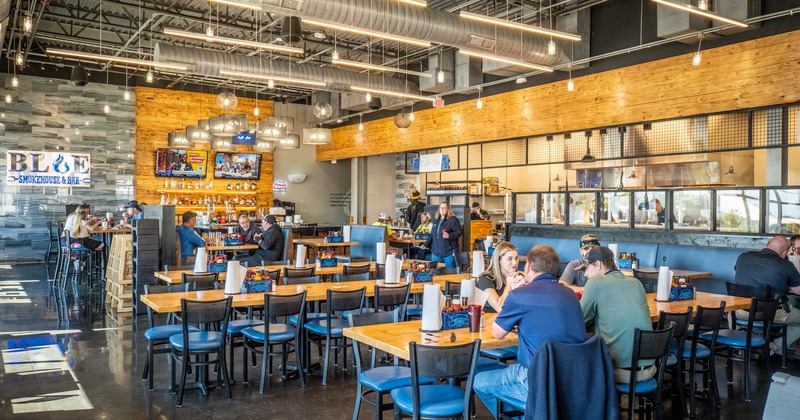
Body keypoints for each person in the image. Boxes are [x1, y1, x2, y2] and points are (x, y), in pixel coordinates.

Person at [473, 244, 586, 418]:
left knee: (478, 381)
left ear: (528, 267)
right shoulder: (570, 294)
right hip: (573, 380)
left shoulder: (520, 295)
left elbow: (497, 332)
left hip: (535, 379)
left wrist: (516, 293)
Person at [578, 246, 654, 383]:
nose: (585, 275)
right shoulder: (636, 283)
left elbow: (579, 320)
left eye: (586, 268)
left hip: (620, 373)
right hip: (649, 369)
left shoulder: (596, 282)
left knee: (577, 364)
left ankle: (597, 404)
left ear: (598, 264)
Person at [733, 235, 800, 356]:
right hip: (770, 313)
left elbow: (739, 275)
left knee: (731, 314)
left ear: (767, 244)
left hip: (740, 311)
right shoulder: (785, 265)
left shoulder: (743, 257)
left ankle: (741, 345)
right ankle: (776, 346)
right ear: (785, 252)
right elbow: (798, 291)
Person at [476, 241, 520, 313]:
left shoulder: (519, 277)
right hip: (489, 320)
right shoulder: (485, 279)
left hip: (511, 319)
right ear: (498, 260)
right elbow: (499, 307)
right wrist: (509, 285)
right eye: (510, 259)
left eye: (516, 258)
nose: (515, 263)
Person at [420, 201, 462, 268]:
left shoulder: (453, 220)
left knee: (450, 273)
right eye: (441, 208)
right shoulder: (436, 220)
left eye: (444, 208)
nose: (442, 210)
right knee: (436, 274)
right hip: (436, 252)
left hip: (449, 253)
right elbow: (432, 234)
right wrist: (426, 244)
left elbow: (459, 231)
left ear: (448, 209)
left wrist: (449, 235)